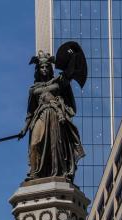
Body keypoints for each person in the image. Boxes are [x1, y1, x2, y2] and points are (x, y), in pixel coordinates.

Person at [22, 49, 85, 180]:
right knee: (35, 143)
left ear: (50, 69)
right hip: (41, 115)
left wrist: (61, 60)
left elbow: (70, 72)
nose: (44, 69)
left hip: (56, 116)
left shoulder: (58, 82)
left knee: (55, 146)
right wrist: (24, 129)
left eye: (46, 67)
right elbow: (30, 112)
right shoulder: (33, 89)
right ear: (38, 70)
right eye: (41, 67)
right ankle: (35, 172)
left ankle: (59, 172)